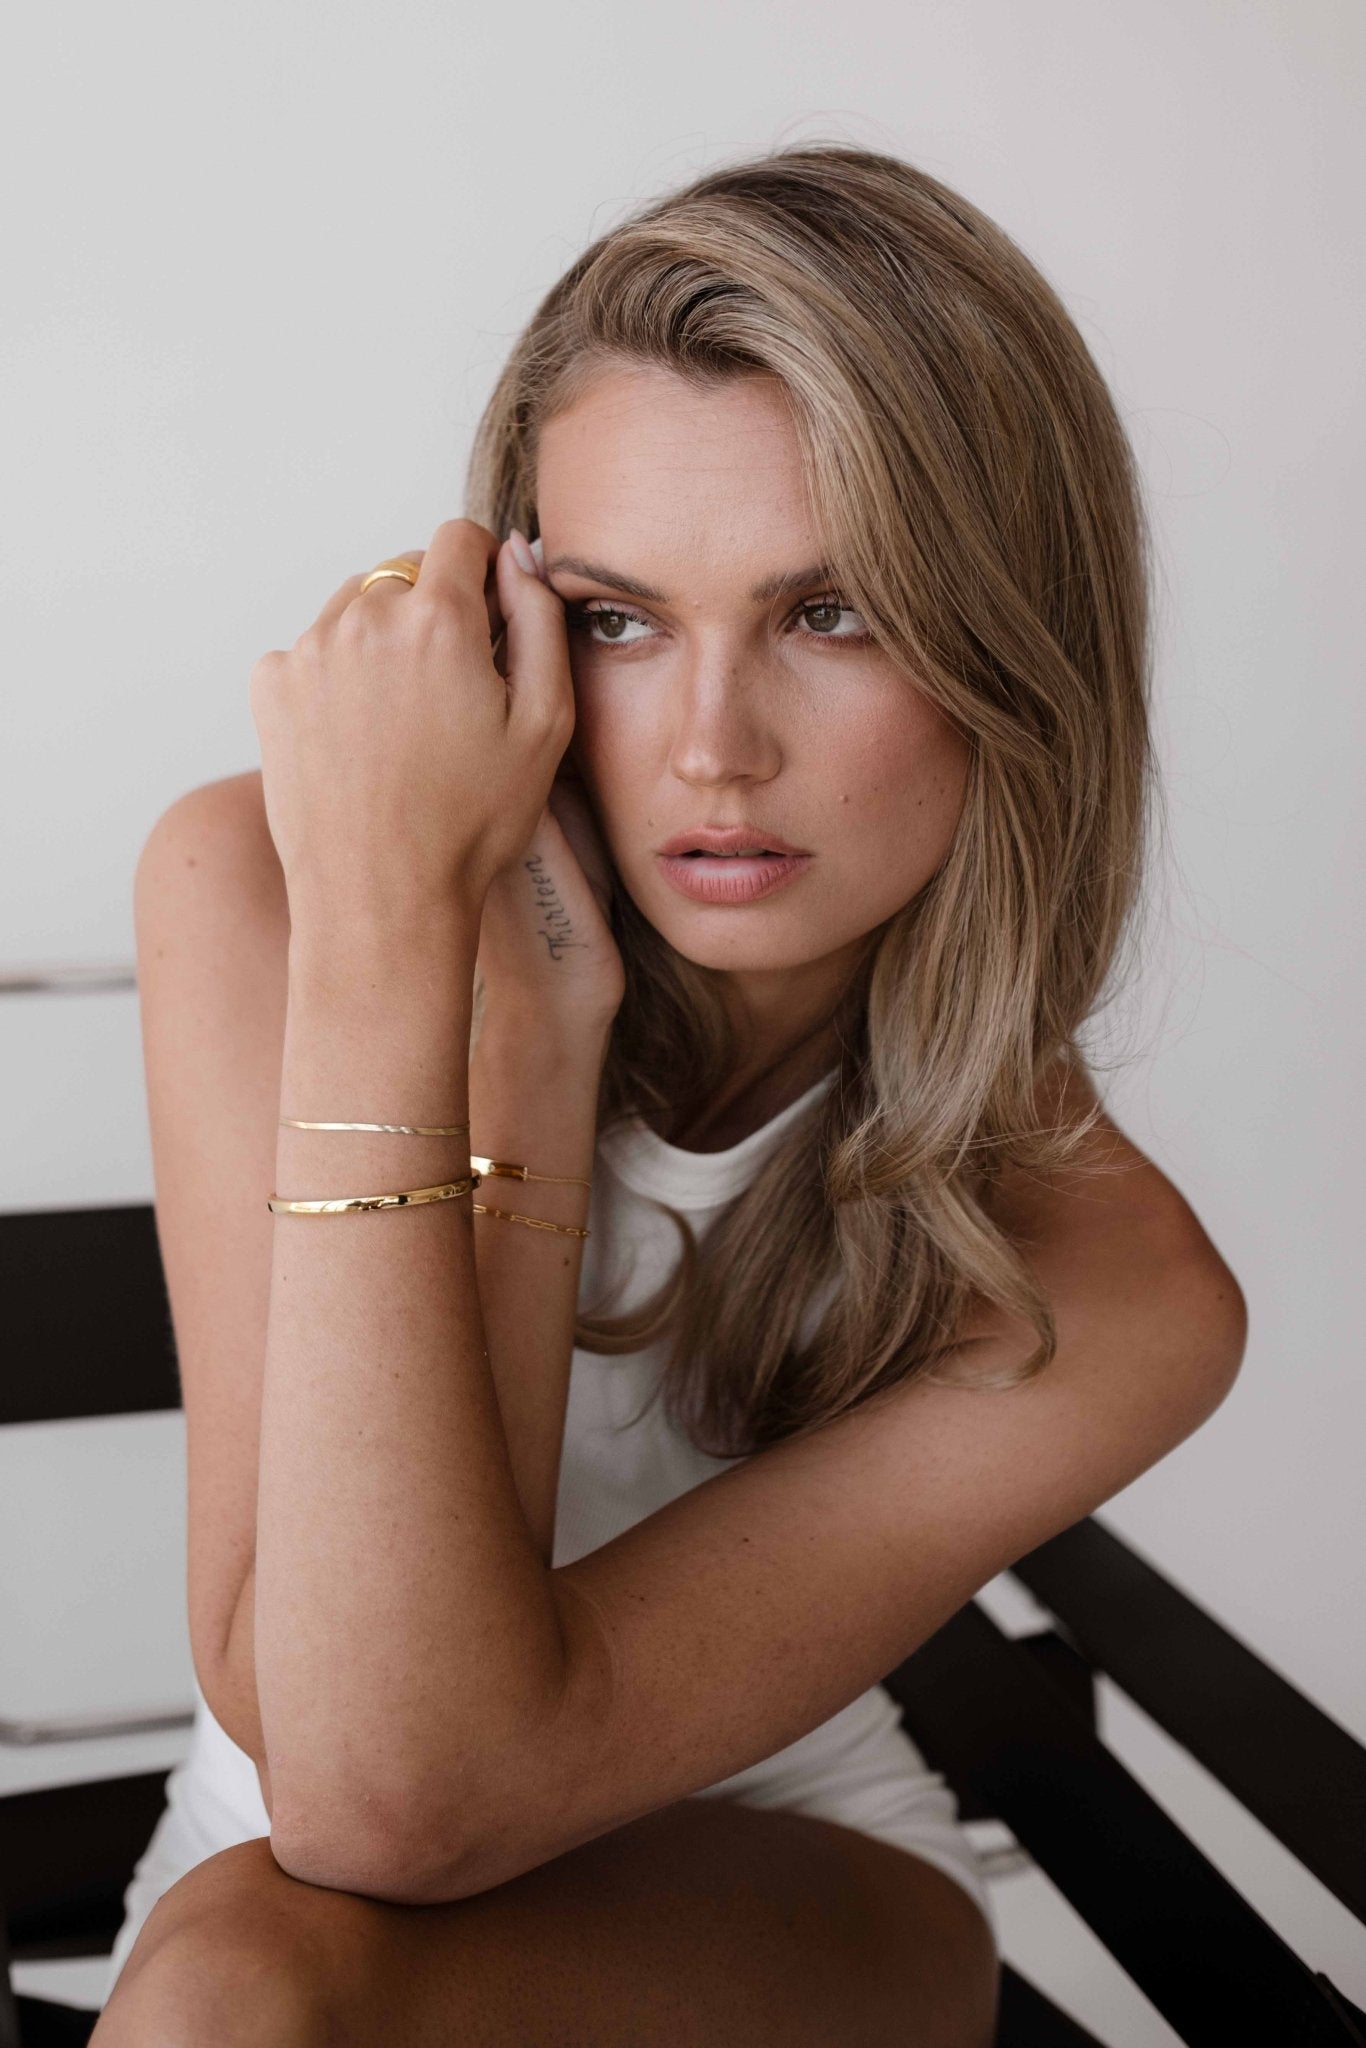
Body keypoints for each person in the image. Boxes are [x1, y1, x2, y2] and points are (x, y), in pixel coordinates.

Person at [91, 143, 1246, 2045]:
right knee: (237, 1999)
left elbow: (419, 1796)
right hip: (266, 1862)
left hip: (778, 1867)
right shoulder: (261, 882)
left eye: (833, 612)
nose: (711, 748)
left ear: (1014, 657)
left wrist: (436, 990)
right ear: (520, 622)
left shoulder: (1103, 1280)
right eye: (621, 619)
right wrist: (454, 987)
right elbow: (332, 1772)